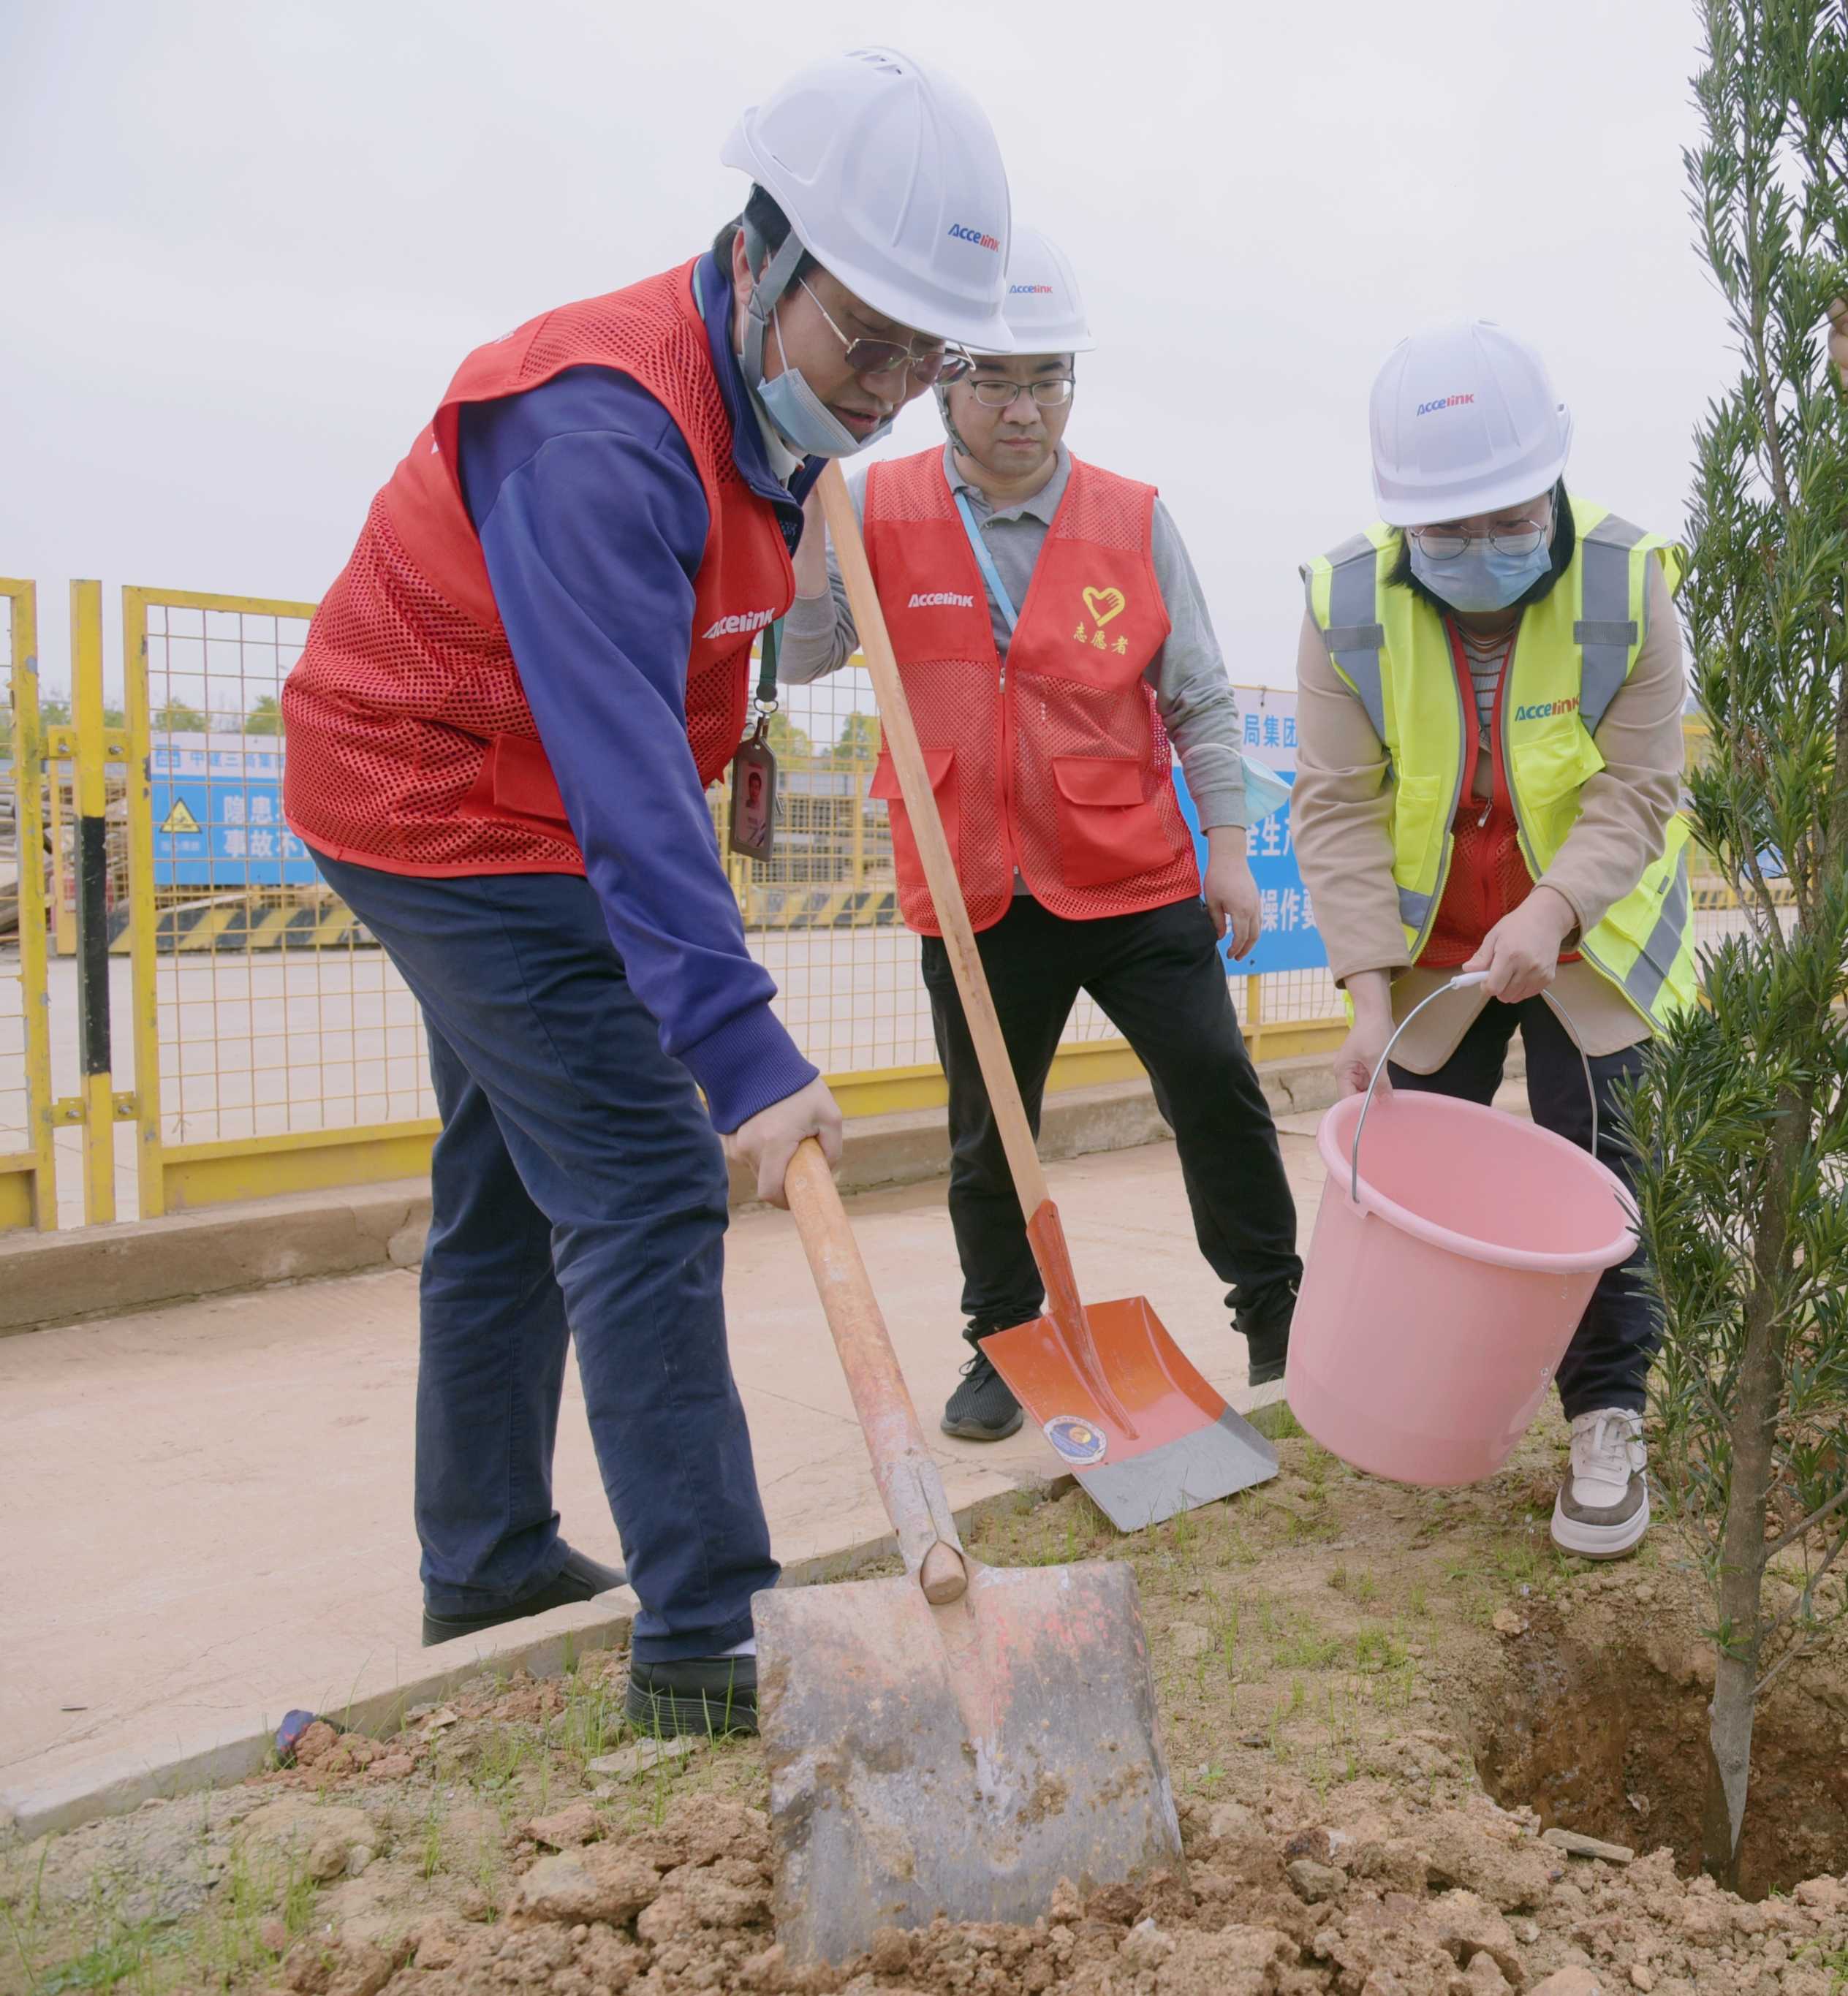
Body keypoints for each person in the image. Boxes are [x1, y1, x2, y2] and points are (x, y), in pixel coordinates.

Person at [281, 49, 1016, 1737]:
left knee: (508, 1179)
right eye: (866, 341)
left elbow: (671, 718)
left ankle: (483, 1555)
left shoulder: (761, 410)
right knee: (644, 1176)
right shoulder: (604, 425)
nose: (892, 387)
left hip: (531, 795)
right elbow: (622, 780)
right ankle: (708, 1640)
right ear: (758, 256)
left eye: (925, 356)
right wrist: (743, 1056)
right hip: (436, 797)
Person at [779, 229, 1304, 1440]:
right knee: (985, 1132)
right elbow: (802, 659)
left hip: (1132, 878)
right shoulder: (874, 510)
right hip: (975, 887)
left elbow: (1201, 696)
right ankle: (1005, 1344)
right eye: (996, 379)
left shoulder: (1131, 517)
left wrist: (1226, 848)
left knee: (1217, 1086)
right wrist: (804, 558)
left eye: (1047, 379)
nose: (1024, 408)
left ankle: (1276, 1311)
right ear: (942, 381)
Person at [1292, 321, 1698, 1560]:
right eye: (1446, 531)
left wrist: (1551, 910)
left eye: (1504, 518)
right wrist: (1369, 993)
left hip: (1593, 940)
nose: (1478, 550)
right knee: (1410, 1179)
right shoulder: (1343, 603)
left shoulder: (1632, 589)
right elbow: (1336, 803)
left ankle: (1605, 1422)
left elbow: (1637, 789)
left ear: (1552, 478)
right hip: (1429, 951)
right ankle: (1412, 1406)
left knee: (1604, 1181)